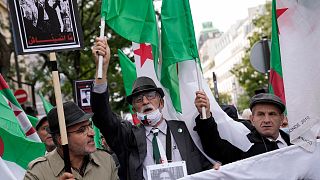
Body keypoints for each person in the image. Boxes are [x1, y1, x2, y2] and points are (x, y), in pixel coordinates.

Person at [90, 37, 212, 180]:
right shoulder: (128, 137)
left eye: (151, 96)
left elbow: (206, 162)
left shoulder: (185, 130)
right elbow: (102, 116)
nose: (145, 101)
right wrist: (102, 69)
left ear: (161, 103)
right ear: (134, 109)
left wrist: (213, 170)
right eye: (138, 100)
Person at [24, 101, 119, 180]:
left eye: (90, 126)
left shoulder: (106, 160)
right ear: (62, 139)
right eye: (81, 130)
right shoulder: (37, 173)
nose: (92, 133)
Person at [195, 93, 291, 165]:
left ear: (282, 118)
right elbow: (213, 145)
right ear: (252, 119)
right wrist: (206, 114)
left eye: (272, 114)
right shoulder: (243, 146)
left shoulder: (297, 142)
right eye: (260, 114)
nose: (266, 120)